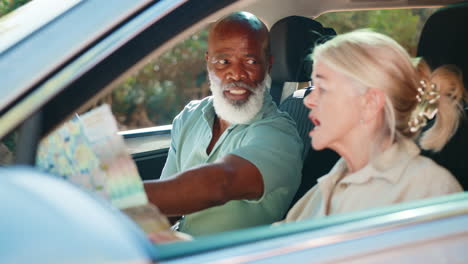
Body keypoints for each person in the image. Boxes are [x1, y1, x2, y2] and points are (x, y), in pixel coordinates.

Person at [144, 12, 303, 236]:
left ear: (269, 64)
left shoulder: (279, 135)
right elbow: (166, 207)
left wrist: (111, 201)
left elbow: (219, 184)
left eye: (250, 61)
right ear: (208, 62)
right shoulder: (190, 116)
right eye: (223, 61)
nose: (236, 73)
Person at [282, 30, 464, 222]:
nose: (309, 100)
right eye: (312, 87)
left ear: (369, 103)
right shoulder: (332, 181)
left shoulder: (427, 190)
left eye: (323, 88)